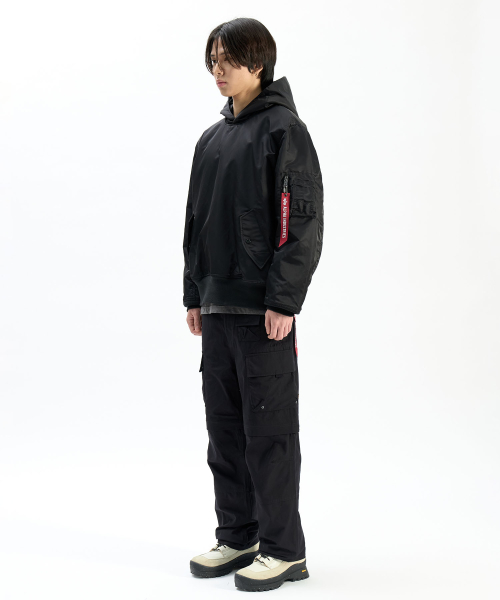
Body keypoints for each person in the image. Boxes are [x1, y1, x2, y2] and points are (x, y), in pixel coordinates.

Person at [182, 17, 324, 592]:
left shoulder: (284, 131)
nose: (218, 70)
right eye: (212, 60)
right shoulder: (210, 140)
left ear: (257, 62)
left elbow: (301, 220)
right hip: (218, 308)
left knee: (270, 433)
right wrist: (194, 293)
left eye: (227, 60)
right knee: (225, 433)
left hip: (264, 311)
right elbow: (195, 222)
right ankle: (238, 536)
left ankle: (284, 550)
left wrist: (284, 299)